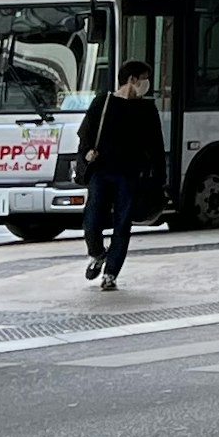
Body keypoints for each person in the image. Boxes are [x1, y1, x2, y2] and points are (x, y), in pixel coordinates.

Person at [76, 58, 165, 290]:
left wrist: (159, 181)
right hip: (102, 171)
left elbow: (156, 146)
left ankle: (111, 273)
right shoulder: (103, 102)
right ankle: (97, 253)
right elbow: (85, 134)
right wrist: (86, 154)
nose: (146, 85)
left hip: (131, 174)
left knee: (123, 224)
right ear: (131, 80)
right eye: (144, 79)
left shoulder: (147, 109)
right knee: (92, 219)